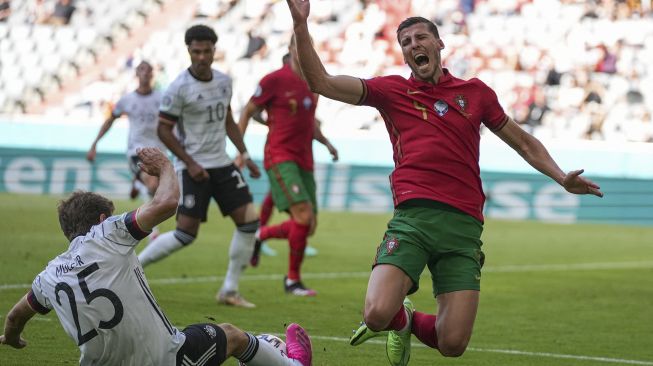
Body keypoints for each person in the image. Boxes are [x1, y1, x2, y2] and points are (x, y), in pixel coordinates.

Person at [286, 1, 603, 365]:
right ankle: (397, 317)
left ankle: (405, 322)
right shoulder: (391, 92)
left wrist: (562, 177)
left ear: (440, 45)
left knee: (452, 343)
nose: (413, 45)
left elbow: (524, 142)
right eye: (405, 42)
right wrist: (300, 24)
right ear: (403, 54)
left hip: (464, 229)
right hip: (414, 220)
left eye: (421, 37)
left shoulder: (477, 93)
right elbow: (320, 82)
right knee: (376, 314)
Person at [0, 147, 313, 366]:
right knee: (231, 335)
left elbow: (15, 317)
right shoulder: (107, 233)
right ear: (100, 220)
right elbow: (166, 204)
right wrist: (165, 165)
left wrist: (12, 339)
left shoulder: (48, 276)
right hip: (166, 360)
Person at [136, 24, 262, 309]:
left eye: (207, 51)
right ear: (189, 51)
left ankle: (229, 289)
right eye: (196, 51)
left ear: (214, 51)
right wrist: (190, 163)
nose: (202, 57)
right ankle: (135, 268)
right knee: (186, 233)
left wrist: (245, 153)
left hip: (222, 164)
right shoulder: (178, 88)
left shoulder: (224, 82)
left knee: (249, 223)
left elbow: (227, 120)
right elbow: (164, 129)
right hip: (193, 168)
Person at [237, 39, 338, 296]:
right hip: (280, 155)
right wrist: (241, 151)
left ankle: (261, 234)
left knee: (309, 225)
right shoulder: (274, 80)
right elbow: (248, 111)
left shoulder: (314, 83)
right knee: (303, 217)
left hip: (305, 158)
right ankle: (292, 280)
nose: (305, 52)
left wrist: (326, 143)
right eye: (301, 47)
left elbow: (309, 122)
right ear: (292, 49)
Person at [87, 61, 165, 211]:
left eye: (148, 70)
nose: (145, 73)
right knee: (153, 185)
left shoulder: (162, 98)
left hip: (158, 149)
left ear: (152, 74)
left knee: (161, 188)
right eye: (142, 69)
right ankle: (153, 231)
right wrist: (94, 144)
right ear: (136, 73)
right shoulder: (127, 100)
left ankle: (138, 183)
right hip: (137, 149)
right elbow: (110, 120)